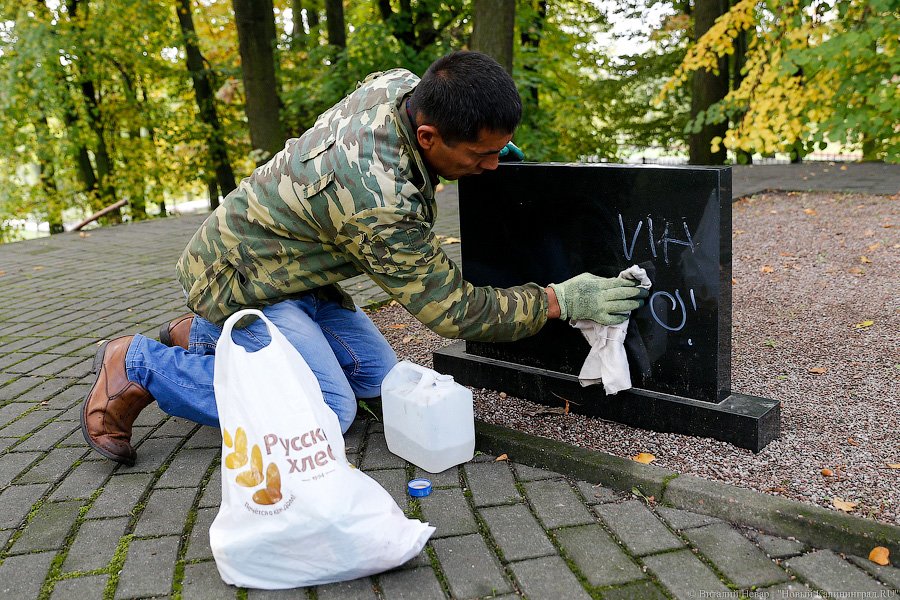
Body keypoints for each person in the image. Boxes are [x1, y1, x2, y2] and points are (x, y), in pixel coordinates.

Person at [81, 51, 647, 466]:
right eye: (482, 154)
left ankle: (206, 339)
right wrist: (559, 299)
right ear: (427, 136)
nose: (493, 166)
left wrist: (488, 153)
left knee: (383, 382)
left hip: (296, 266)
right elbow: (453, 312)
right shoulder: (382, 200)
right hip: (245, 281)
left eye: (499, 151)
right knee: (329, 411)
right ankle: (140, 364)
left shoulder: (404, 85)